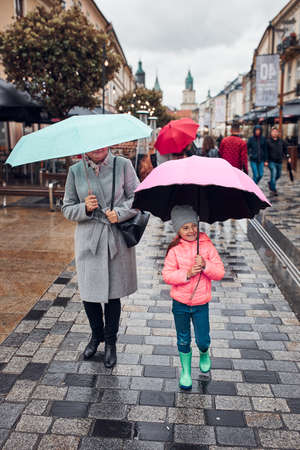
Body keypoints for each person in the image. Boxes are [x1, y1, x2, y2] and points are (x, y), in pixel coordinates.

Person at [62, 147, 139, 368]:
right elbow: (67, 208)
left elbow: (137, 197)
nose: (99, 148)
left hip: (115, 237)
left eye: (103, 143)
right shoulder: (76, 171)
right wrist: (84, 208)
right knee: (89, 293)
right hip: (89, 239)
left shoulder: (122, 165)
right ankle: (97, 336)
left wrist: (121, 213)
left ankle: (111, 342)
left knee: (113, 294)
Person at [162, 205, 225, 389]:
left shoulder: (206, 246)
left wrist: (205, 265)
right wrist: (187, 273)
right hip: (180, 303)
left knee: (202, 339)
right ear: (178, 229)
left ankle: (204, 352)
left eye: (193, 225)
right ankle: (186, 371)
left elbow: (220, 272)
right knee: (183, 339)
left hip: (200, 303)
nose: (191, 231)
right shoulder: (174, 249)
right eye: (185, 227)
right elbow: (167, 275)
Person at [266, 127, 291, 196]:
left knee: (278, 175)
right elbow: (266, 152)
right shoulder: (268, 141)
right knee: (273, 174)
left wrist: (288, 157)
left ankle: (270, 183)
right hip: (271, 161)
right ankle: (273, 190)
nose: (275, 133)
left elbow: (285, 150)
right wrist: (266, 161)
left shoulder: (281, 141)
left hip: (279, 161)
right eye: (273, 132)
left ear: (278, 133)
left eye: (276, 132)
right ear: (271, 133)